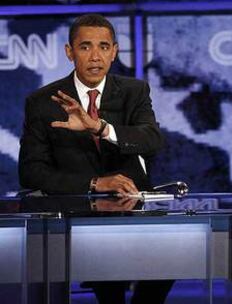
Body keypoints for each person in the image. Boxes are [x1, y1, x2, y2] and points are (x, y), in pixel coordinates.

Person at [19, 14, 172, 304]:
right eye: (85, 46)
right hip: (79, 219)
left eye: (103, 47)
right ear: (69, 52)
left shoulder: (133, 91)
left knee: (175, 256)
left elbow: (152, 140)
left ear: (114, 52)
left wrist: (100, 128)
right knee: (108, 286)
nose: (95, 56)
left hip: (135, 213)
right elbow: (31, 172)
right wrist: (94, 182)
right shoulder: (43, 102)